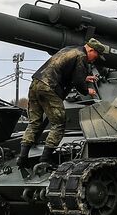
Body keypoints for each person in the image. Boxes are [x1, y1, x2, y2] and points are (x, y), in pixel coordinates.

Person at [17, 38, 108, 170]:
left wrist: (85, 77)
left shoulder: (70, 49)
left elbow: (64, 70)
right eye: (97, 55)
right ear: (91, 50)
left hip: (36, 83)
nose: (96, 59)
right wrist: (87, 89)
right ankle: (45, 159)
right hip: (49, 86)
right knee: (59, 123)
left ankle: (22, 158)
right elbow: (77, 81)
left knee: (34, 122)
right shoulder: (81, 56)